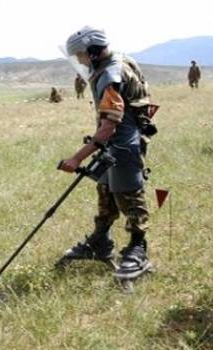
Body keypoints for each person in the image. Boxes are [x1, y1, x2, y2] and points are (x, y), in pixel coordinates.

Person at [57, 26, 154, 281]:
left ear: (94, 50)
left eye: (81, 55)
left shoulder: (111, 75)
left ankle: (137, 248)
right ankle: (100, 242)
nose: (79, 60)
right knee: (106, 191)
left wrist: (77, 158)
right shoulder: (115, 61)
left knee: (130, 196)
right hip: (111, 145)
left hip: (122, 145)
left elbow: (109, 126)